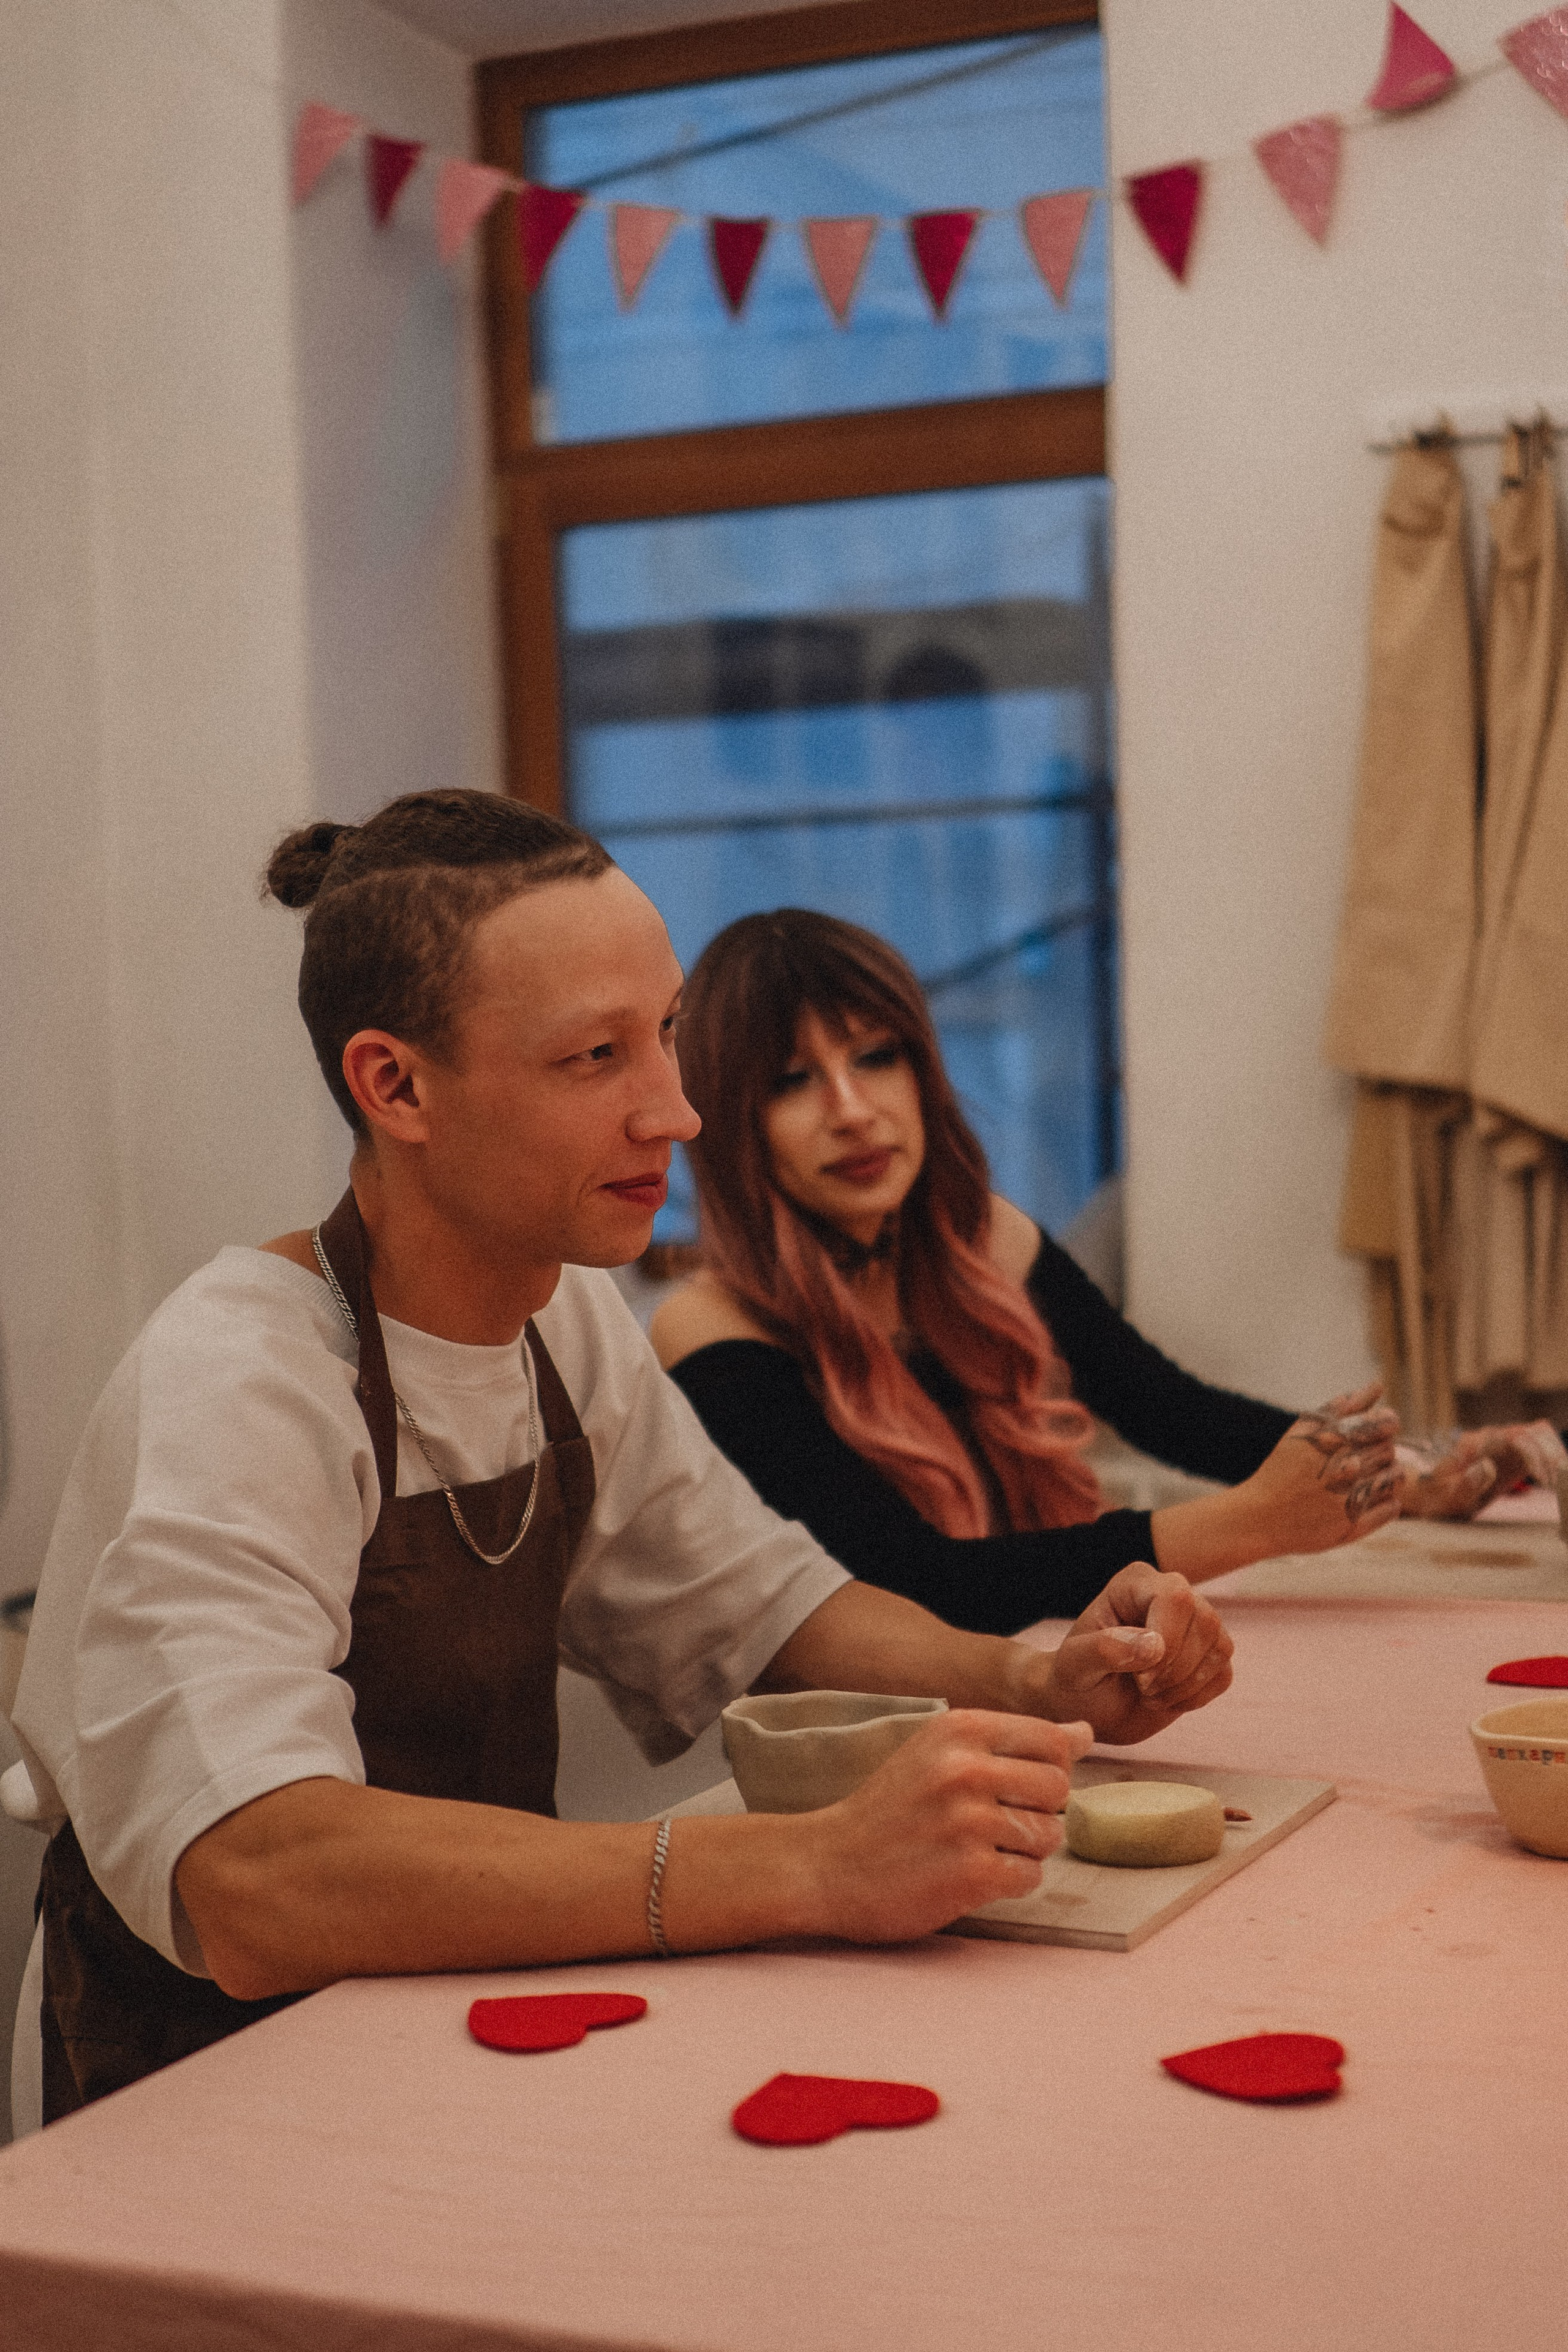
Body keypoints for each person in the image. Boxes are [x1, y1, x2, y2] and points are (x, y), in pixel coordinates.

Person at [6, 792, 1236, 2130]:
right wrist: (807, 1866)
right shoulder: (239, 1383)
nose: (677, 1114)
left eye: (663, 1036)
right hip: (192, 2095)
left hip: (438, 2038)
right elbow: (255, 1875)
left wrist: (1031, 1676)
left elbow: (761, 1604)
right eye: (595, 1058)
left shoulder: (566, 1317)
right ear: (393, 1084)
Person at [651, 910, 1547, 1637]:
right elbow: (911, 1582)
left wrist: (1401, 1471)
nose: (853, 1111)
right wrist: (1258, 1523)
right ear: (733, 1125)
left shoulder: (981, 1241)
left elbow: (1171, 1409)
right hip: (870, 1738)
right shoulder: (713, 1330)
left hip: (1047, 1665)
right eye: (794, 1082)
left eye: (877, 1058)